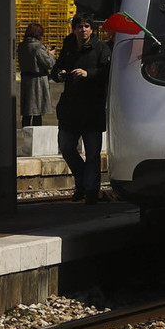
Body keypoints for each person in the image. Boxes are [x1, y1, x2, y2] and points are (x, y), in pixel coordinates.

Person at [50, 14, 111, 203]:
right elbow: (55, 69)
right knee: (66, 146)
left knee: (93, 153)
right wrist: (59, 74)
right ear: (74, 29)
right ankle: (83, 180)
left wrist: (88, 74)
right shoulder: (68, 47)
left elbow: (107, 73)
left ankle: (90, 191)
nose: (82, 30)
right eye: (79, 27)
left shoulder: (101, 48)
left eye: (86, 26)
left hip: (92, 107)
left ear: (91, 29)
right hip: (71, 107)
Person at [18, 23, 55, 127]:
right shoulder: (38, 47)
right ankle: (35, 136)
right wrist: (51, 55)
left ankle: (25, 133)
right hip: (38, 80)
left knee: (27, 112)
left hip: (26, 79)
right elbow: (49, 63)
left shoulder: (22, 45)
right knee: (37, 111)